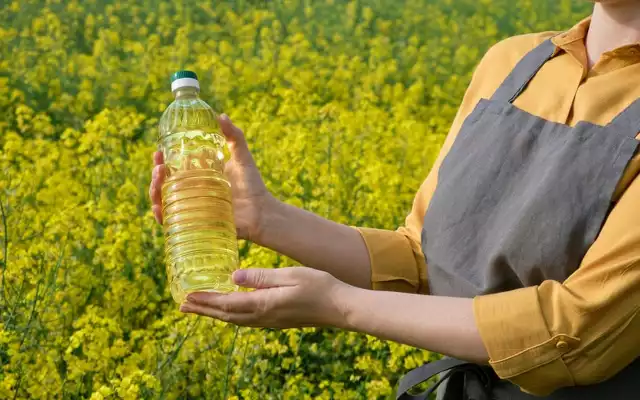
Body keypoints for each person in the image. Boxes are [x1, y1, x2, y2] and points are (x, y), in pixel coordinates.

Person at [148, 1, 640, 398]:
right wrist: (266, 218)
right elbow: (421, 261)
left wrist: (341, 307)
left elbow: (576, 334)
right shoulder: (511, 63)